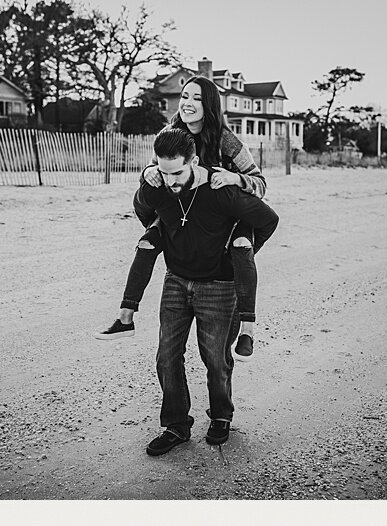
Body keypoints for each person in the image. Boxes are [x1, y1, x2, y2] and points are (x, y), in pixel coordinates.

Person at [97, 75, 268, 359]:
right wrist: (146, 173)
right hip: (181, 214)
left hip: (222, 220)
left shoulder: (226, 141)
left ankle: (247, 329)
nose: (187, 103)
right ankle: (125, 317)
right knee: (147, 242)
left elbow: (259, 185)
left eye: (197, 99)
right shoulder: (171, 132)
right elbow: (155, 171)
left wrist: (234, 178)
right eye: (185, 96)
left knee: (241, 247)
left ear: (209, 105)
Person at [137, 125, 278, 456]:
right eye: (163, 171)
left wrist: (238, 253)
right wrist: (165, 230)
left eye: (176, 172)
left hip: (218, 285)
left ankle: (221, 416)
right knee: (166, 357)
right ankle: (176, 425)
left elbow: (268, 219)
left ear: (194, 161)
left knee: (215, 358)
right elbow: (145, 210)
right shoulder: (161, 183)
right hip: (176, 280)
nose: (170, 180)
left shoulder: (221, 189)